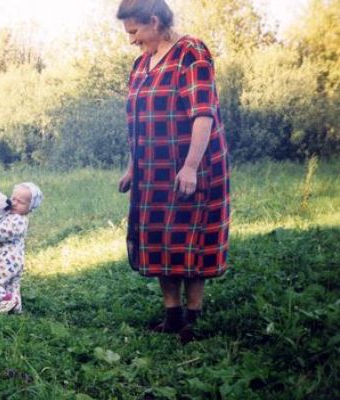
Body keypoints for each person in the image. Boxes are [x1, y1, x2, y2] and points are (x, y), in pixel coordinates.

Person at [116, 0, 230, 342]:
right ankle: (172, 315)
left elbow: (203, 113)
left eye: (135, 31)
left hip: (190, 166)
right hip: (153, 170)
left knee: (192, 237)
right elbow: (139, 122)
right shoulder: (140, 65)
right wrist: (132, 166)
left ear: (154, 21)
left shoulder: (190, 52)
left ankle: (194, 316)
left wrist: (191, 166)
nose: (131, 40)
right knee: (160, 240)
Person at [0, 182, 43, 314]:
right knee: (11, 286)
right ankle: (16, 310)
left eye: (21, 202)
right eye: (13, 198)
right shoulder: (10, 214)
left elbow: (4, 232)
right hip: (12, 261)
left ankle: (7, 299)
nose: (14, 203)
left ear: (30, 208)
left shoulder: (19, 220)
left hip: (7, 260)